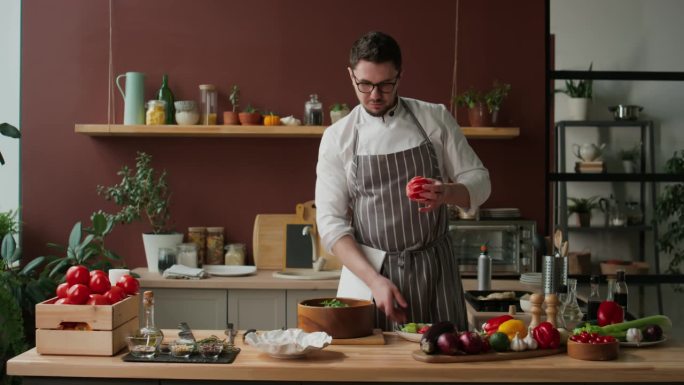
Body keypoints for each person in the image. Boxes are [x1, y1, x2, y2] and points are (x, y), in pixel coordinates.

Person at [315, 31, 490, 331]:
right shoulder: (338, 137)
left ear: (400, 75)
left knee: (444, 369)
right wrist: (374, 281)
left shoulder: (434, 118)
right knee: (375, 373)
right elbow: (330, 225)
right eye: (365, 84)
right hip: (371, 277)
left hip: (437, 272)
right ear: (350, 76)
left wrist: (448, 192)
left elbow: (481, 182)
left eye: (385, 84)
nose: (374, 94)